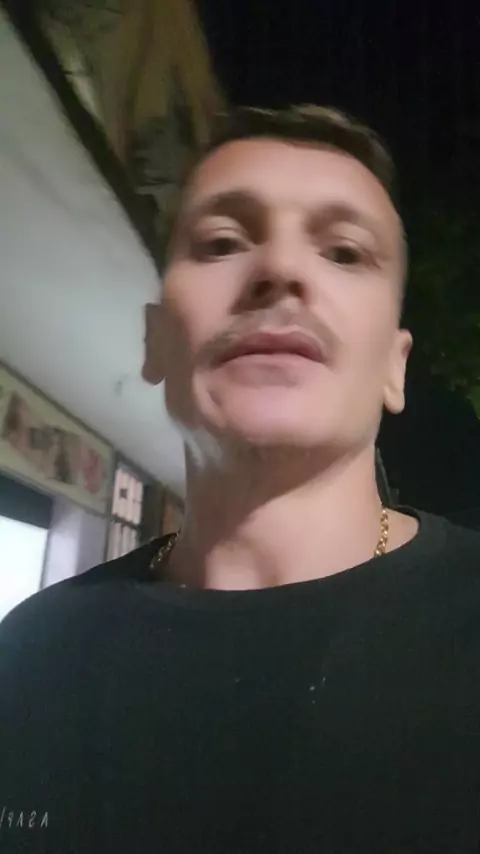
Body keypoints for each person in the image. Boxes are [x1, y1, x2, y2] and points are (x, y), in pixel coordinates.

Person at [1, 105, 480, 854]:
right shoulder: (30, 656)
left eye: (344, 252)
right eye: (223, 242)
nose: (280, 271)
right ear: (156, 341)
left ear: (396, 365)